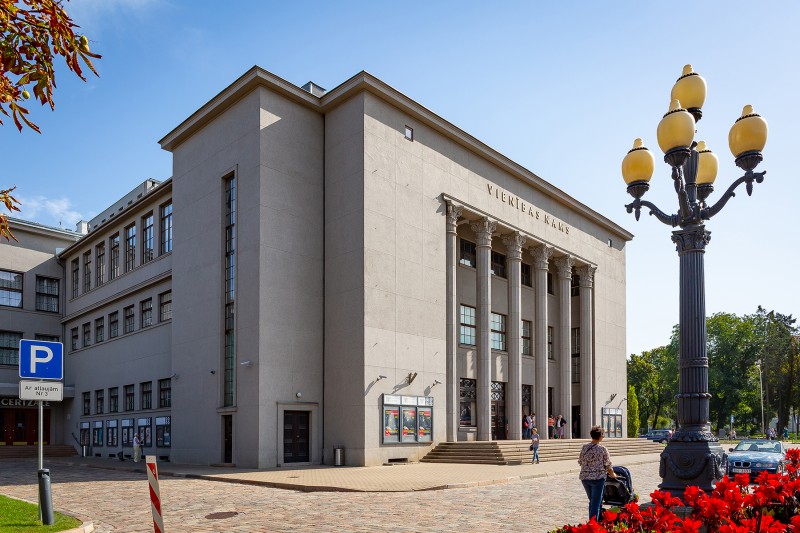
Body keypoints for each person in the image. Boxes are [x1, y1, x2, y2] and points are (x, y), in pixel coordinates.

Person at [578, 425, 616, 522]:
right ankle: (593, 525)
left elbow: (580, 461)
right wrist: (613, 475)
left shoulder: (584, 447)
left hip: (585, 478)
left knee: (593, 501)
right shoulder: (602, 449)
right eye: (603, 435)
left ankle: (595, 521)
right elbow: (608, 465)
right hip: (598, 479)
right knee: (595, 503)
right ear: (600, 436)